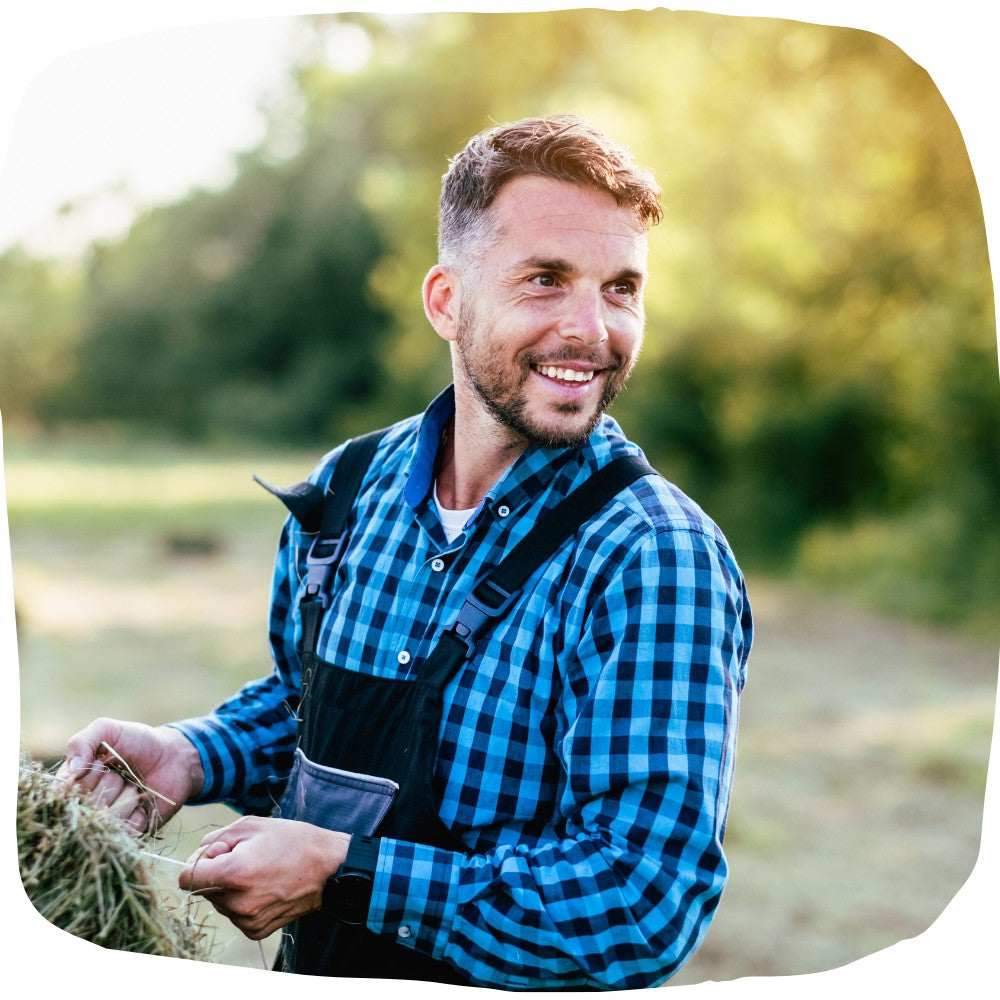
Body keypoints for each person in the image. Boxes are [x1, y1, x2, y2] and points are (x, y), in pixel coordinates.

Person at [61, 114, 753, 991]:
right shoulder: (347, 491)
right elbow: (309, 706)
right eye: (546, 280)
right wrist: (192, 755)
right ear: (446, 301)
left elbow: (639, 904)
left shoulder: (654, 560)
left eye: (621, 288)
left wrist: (343, 874)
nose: (593, 328)